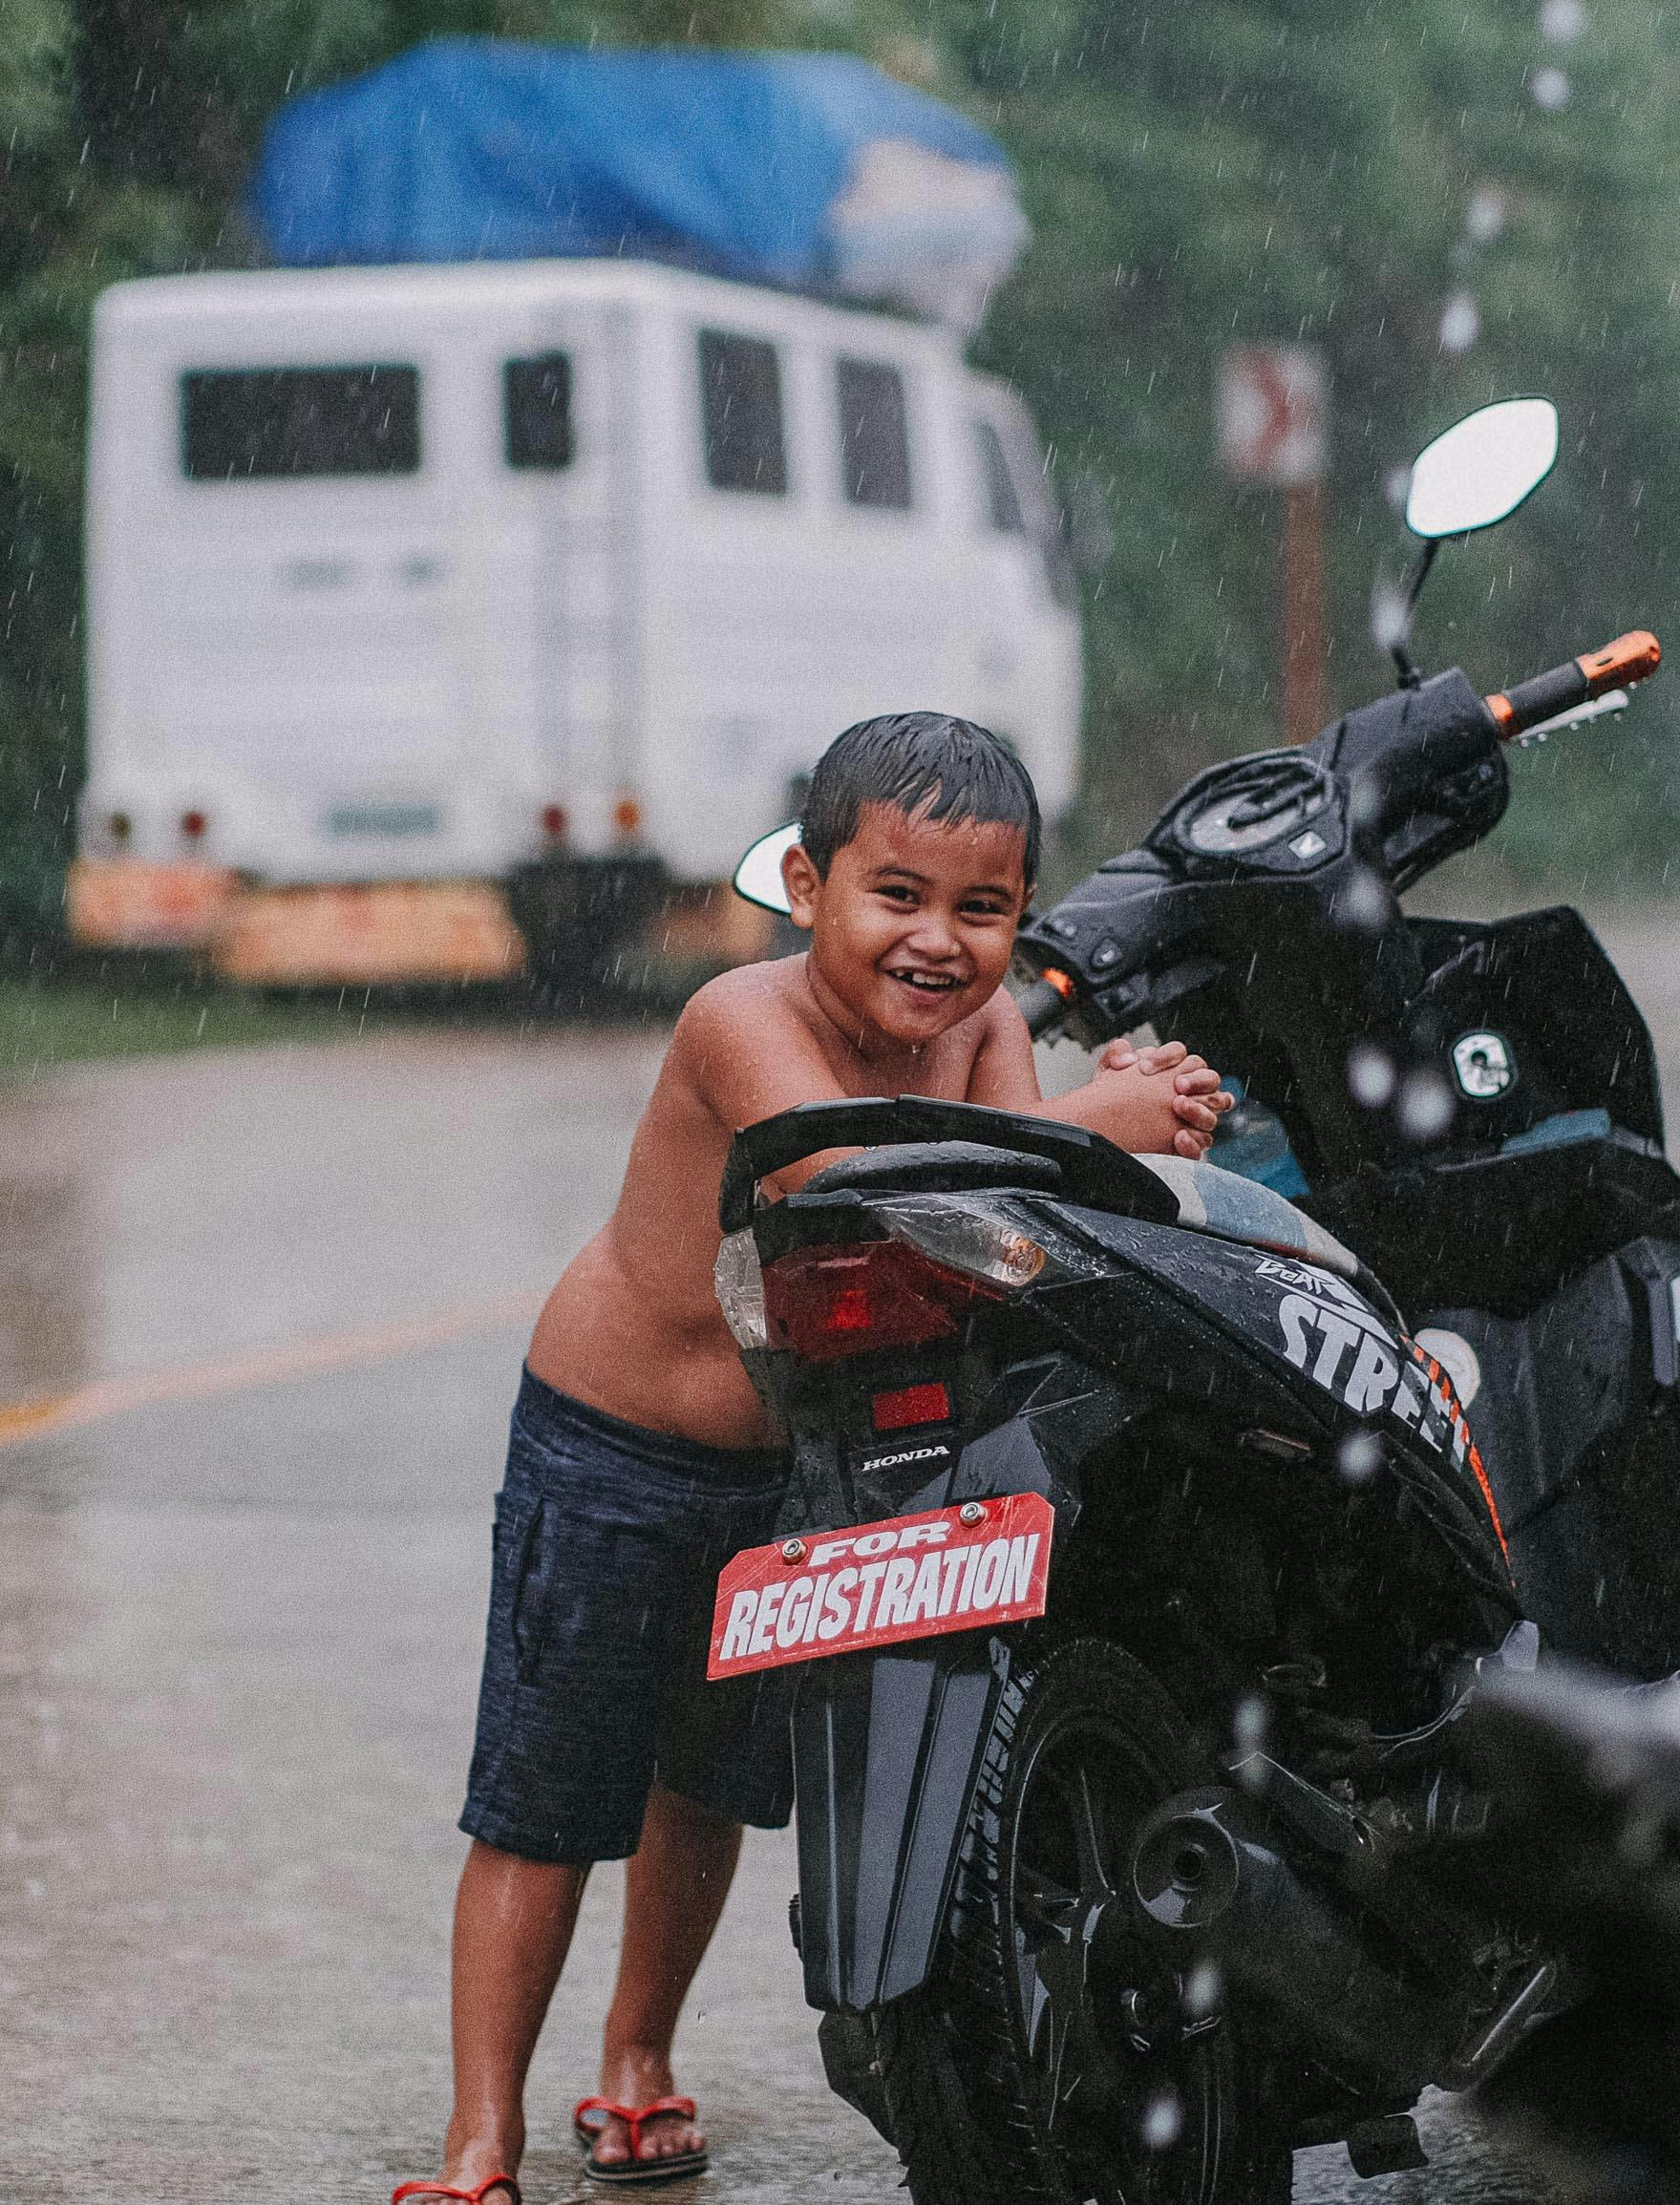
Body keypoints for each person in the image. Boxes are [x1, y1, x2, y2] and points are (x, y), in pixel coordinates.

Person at [396, 713, 1222, 2205]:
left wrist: (1139, 1138)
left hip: (800, 1470)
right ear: (801, 882)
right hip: (616, 1447)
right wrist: (1106, 1118)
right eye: (894, 894)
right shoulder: (738, 1019)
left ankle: (637, 2059)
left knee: (709, 1784)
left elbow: (1008, 1235)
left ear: (1020, 916)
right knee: (546, 1797)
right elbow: (866, 1180)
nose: (938, 943)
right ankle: (478, 2141)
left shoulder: (987, 1035)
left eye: (982, 909)